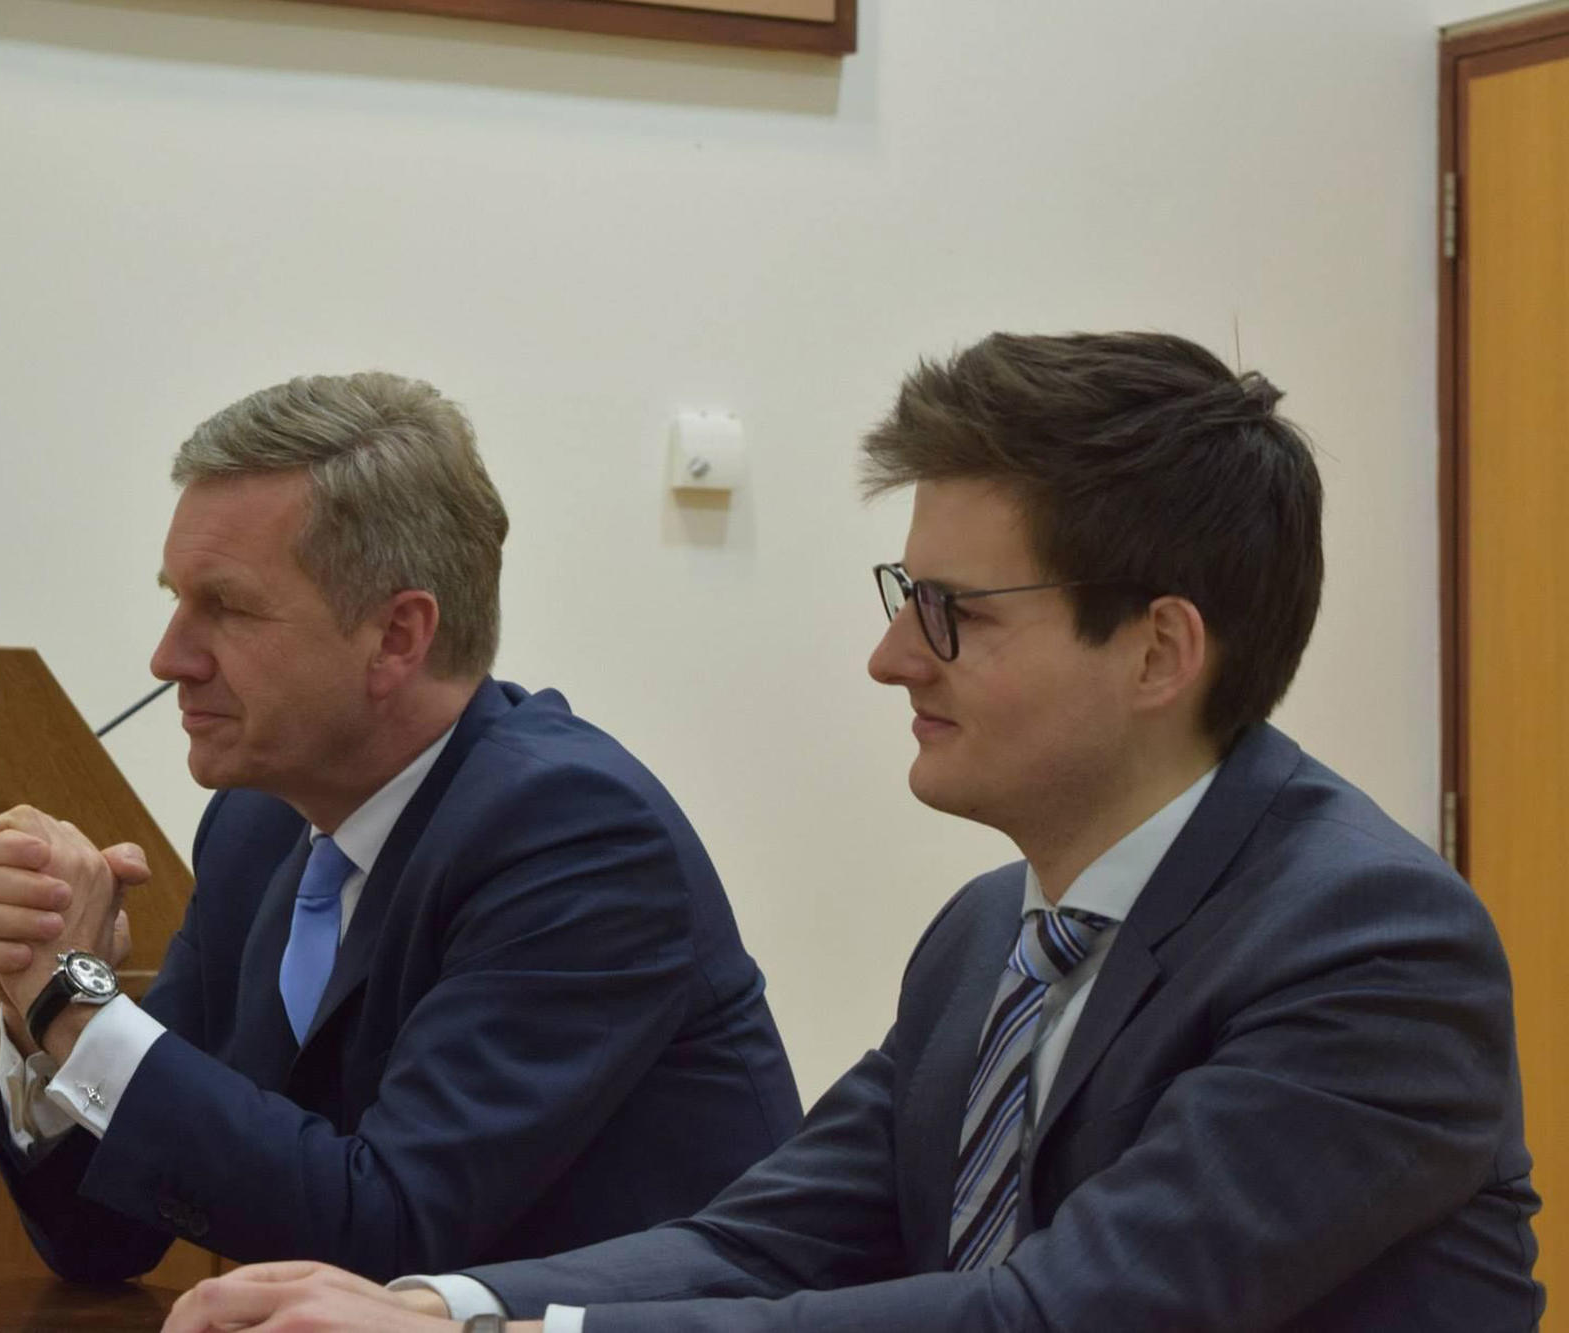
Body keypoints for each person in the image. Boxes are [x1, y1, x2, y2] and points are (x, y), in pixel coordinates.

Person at [158, 332, 1545, 1332]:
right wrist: (431, 1304)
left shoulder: (1372, 948)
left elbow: (1054, 1315)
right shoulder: (986, 933)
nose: (891, 659)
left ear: (1159, 651)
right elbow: (762, 1241)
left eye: (953, 611)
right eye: (902, 597)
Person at [0, 372, 803, 1284]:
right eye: (175, 597)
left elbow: (390, 1229)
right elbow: (101, 1238)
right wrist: (40, 1008)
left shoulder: (576, 837)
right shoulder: (254, 828)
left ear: (398, 636)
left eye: (228, 607)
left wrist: (80, 1011)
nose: (170, 657)